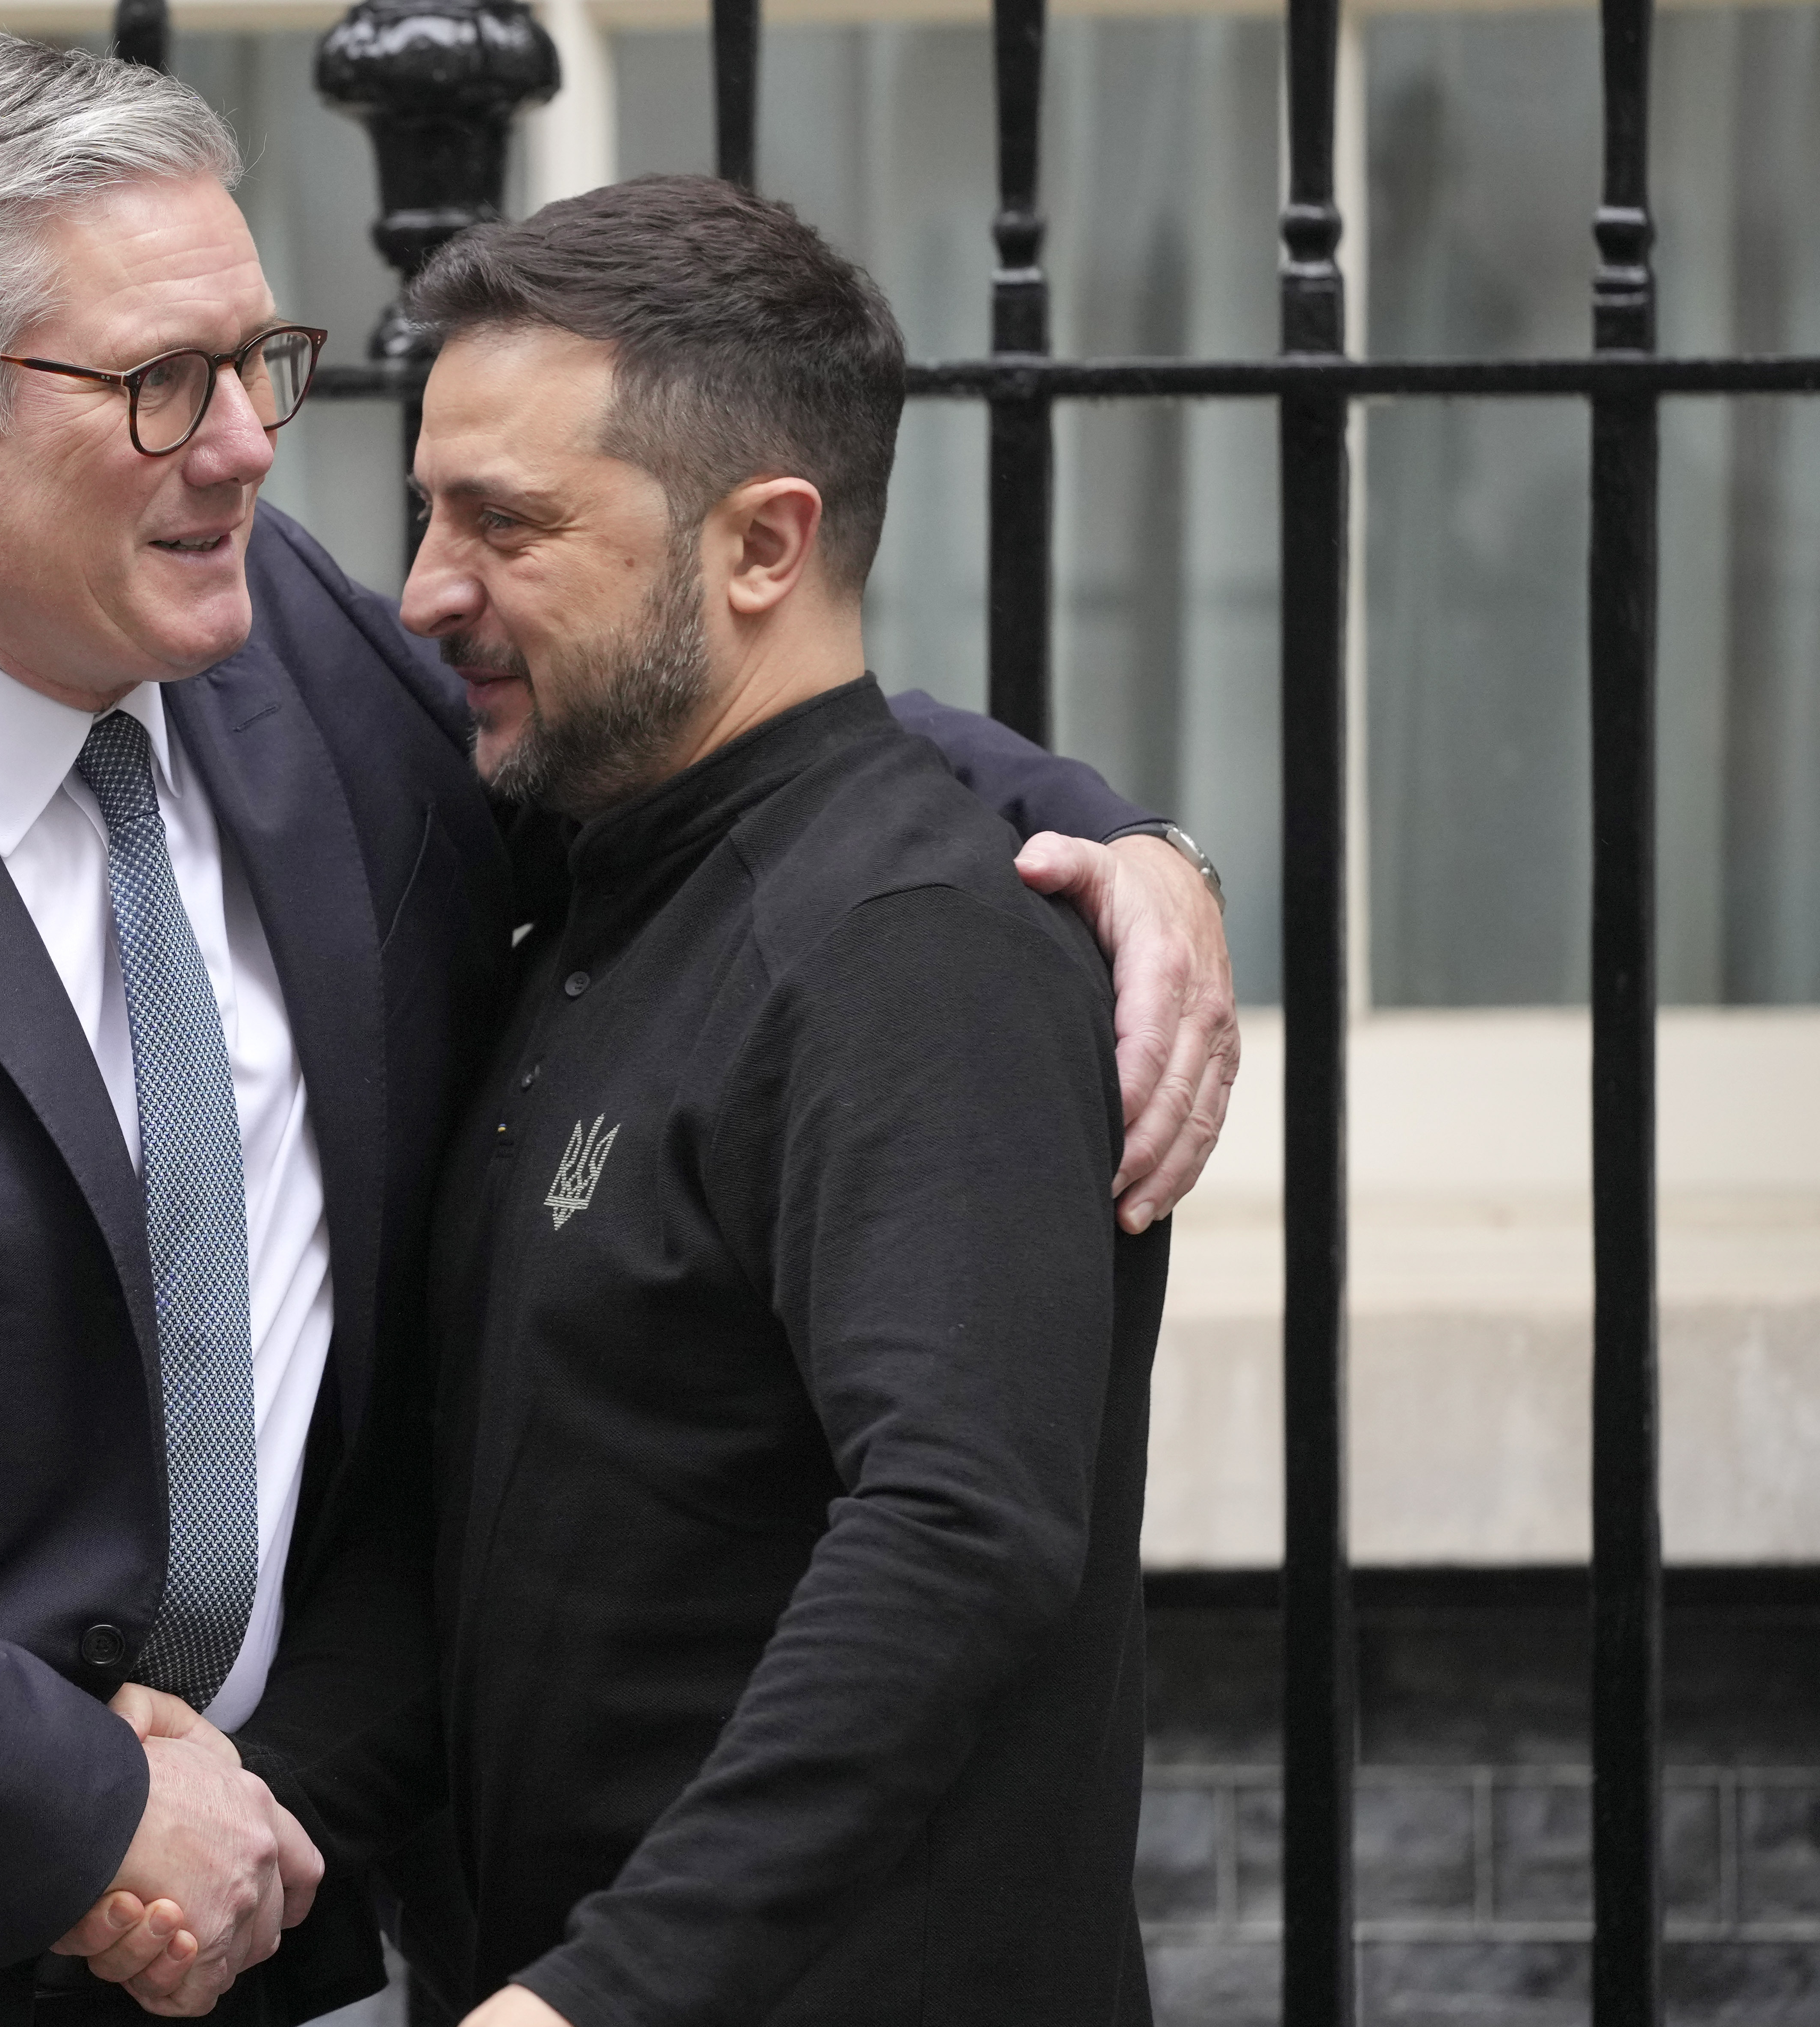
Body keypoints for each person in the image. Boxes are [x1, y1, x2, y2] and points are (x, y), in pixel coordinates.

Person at [0, 33, 1226, 2027]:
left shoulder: (303, 676)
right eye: (157, 381)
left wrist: (1105, 829)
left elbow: (718, 714)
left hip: (243, 1928)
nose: (250, 446)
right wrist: (85, 1811)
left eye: (258, 361)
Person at [104, 177, 1159, 2027]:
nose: (425, 591)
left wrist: (605, 1995)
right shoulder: (585, 910)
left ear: (762, 545)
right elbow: (500, 1545)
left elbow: (959, 1530)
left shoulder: (914, 953)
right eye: (429, 511)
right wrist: (204, 1828)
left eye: (505, 525)